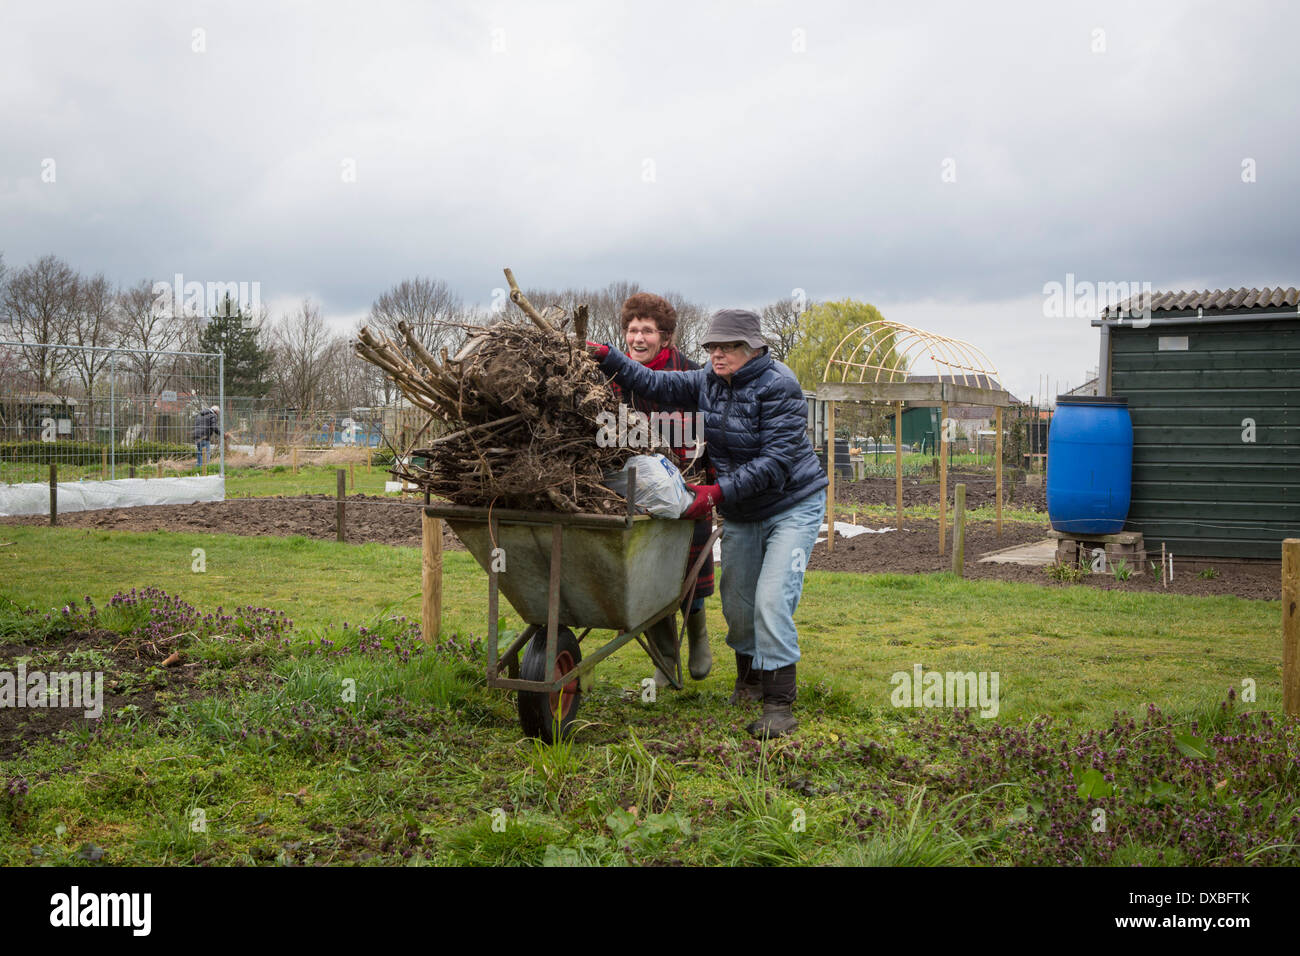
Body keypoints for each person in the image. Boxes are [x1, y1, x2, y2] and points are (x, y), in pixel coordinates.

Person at [589, 309, 827, 737]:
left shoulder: (780, 387)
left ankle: (778, 703)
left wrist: (715, 493)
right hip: (743, 507)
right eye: (712, 347)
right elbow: (653, 383)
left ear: (752, 348)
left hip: (791, 503)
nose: (717, 354)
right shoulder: (707, 381)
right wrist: (608, 356)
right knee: (737, 603)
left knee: (771, 598)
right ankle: (749, 682)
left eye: (728, 346)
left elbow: (775, 463)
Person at [612, 293, 715, 688]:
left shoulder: (688, 375)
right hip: (633, 492)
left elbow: (710, 428)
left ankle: (698, 633)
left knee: (688, 566)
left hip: (685, 484)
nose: (638, 338)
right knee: (644, 573)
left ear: (665, 337)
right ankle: (664, 654)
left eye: (647, 331)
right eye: (632, 330)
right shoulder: (613, 379)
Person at [193, 404, 221, 471]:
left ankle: (199, 468)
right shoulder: (213, 415)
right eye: (218, 413)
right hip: (205, 437)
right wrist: (221, 434)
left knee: (200, 452)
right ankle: (206, 469)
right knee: (206, 453)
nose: (218, 414)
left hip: (197, 436)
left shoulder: (200, 414)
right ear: (216, 411)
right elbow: (214, 427)